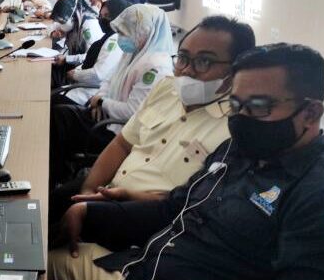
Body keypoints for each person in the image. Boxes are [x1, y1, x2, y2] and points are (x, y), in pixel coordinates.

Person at [49, 43, 324, 280]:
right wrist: (89, 213)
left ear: (310, 114)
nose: (242, 118)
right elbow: (175, 208)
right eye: (236, 105)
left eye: (259, 106)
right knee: (36, 262)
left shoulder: (319, 194)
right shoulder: (238, 150)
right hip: (139, 272)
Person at [49, 16, 255, 225]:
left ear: (236, 70)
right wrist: (88, 190)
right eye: (182, 58)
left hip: (149, 215)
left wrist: (106, 204)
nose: (186, 70)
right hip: (108, 187)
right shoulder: (167, 88)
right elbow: (122, 144)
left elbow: (190, 203)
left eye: (204, 61)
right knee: (49, 204)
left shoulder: (236, 130)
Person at [49, 4, 174, 188]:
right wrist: (99, 98)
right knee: (59, 114)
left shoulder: (156, 67)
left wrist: (102, 102)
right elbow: (108, 80)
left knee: (61, 119)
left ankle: (57, 177)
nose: (120, 37)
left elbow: (132, 113)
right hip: (105, 115)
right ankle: (58, 174)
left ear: (143, 32)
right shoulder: (133, 53)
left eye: (125, 32)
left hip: (117, 132)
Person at [53, 0, 132, 105]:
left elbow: (99, 74)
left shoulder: (114, 40)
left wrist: (76, 74)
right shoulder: (109, 36)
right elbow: (92, 59)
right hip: (85, 84)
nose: (102, 19)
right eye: (101, 15)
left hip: (92, 92)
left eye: (107, 16)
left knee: (51, 100)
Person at [50, 0, 105, 86]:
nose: (62, 25)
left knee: (53, 74)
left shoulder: (88, 26)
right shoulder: (77, 21)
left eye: (63, 22)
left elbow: (92, 56)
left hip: (87, 73)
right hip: (77, 64)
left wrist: (66, 59)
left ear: (74, 15)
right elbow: (55, 26)